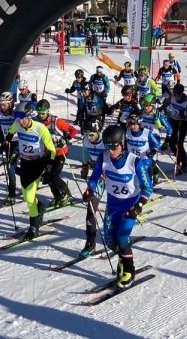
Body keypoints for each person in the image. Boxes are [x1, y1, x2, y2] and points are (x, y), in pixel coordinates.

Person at [85, 125, 153, 289]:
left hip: (130, 206)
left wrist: (139, 206)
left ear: (122, 144)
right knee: (110, 241)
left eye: (114, 146)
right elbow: (94, 178)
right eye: (108, 147)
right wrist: (90, 189)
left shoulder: (135, 162)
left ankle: (129, 271)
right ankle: (123, 259)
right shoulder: (103, 158)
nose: (111, 150)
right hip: (113, 204)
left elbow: (148, 188)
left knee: (122, 238)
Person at [4, 101, 58, 240]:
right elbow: (10, 132)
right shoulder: (17, 123)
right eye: (18, 118)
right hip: (25, 164)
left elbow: (51, 149)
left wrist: (49, 166)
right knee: (28, 197)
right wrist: (6, 141)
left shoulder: (40, 129)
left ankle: (33, 227)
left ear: (29, 116)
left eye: (22, 118)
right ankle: (39, 206)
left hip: (38, 164)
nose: (20, 122)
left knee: (28, 197)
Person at [35, 99, 77, 207]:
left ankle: (65, 193)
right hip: (50, 153)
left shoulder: (57, 121)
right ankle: (57, 196)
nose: (41, 115)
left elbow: (73, 131)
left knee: (54, 176)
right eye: (39, 113)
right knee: (47, 177)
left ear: (48, 111)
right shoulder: (39, 123)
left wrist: (66, 139)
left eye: (43, 113)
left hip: (61, 152)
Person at [79, 119, 105, 257]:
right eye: (86, 134)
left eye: (91, 135)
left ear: (98, 132)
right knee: (91, 208)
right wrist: (84, 166)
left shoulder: (106, 140)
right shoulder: (86, 140)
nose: (88, 138)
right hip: (98, 176)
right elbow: (84, 152)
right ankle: (90, 242)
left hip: (113, 176)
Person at [168, 84, 187, 174]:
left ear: (181, 93)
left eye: (177, 93)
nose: (175, 95)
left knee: (179, 144)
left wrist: (183, 117)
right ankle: (179, 159)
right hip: (174, 121)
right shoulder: (173, 97)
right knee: (171, 144)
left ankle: (183, 164)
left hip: (182, 124)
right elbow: (167, 102)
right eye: (174, 93)